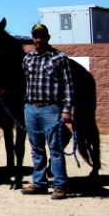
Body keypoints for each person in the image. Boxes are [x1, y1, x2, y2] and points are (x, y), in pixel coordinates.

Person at [22, 23, 74, 200]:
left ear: (47, 37)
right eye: (35, 36)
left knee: (55, 148)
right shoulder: (28, 59)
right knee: (36, 148)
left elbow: (68, 85)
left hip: (51, 108)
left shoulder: (59, 58)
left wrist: (66, 110)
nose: (38, 39)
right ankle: (39, 182)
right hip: (31, 108)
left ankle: (60, 185)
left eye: (41, 36)